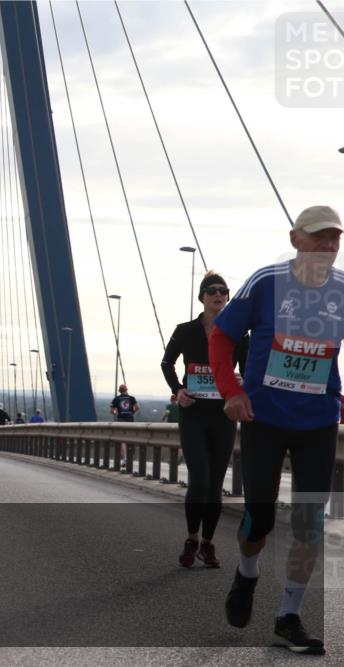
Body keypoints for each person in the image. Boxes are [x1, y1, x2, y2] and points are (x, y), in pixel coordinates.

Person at [210, 205, 342, 655]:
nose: (327, 246)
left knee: (309, 523)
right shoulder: (266, 282)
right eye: (319, 237)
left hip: (319, 423)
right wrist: (231, 391)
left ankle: (288, 617)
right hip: (263, 419)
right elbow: (222, 337)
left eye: (335, 239)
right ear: (295, 239)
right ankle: (247, 573)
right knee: (260, 517)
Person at [161, 271, 247, 569]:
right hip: (194, 413)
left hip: (223, 414)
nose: (218, 294)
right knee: (199, 480)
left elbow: (249, 370)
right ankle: (191, 537)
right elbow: (166, 362)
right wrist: (178, 390)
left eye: (223, 290)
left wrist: (241, 382)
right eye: (212, 290)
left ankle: (208, 544)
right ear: (202, 296)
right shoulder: (185, 330)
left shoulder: (237, 334)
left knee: (214, 485)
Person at [110, 384, 139, 463]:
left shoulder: (116, 399)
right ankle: (131, 453)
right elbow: (137, 407)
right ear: (127, 390)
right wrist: (131, 412)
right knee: (130, 437)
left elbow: (112, 411)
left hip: (121, 420)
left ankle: (124, 458)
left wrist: (116, 413)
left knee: (122, 439)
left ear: (119, 390)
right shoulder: (132, 398)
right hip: (130, 420)